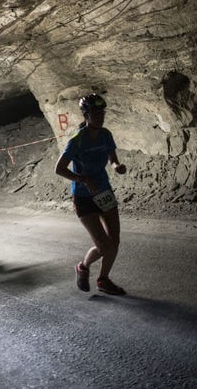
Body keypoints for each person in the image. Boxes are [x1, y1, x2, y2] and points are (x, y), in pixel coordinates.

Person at [54, 93, 128, 295]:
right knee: (103, 245)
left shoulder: (106, 134)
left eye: (102, 112)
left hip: (104, 191)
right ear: (86, 115)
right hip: (84, 197)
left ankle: (103, 280)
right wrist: (84, 179)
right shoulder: (77, 140)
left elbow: (112, 159)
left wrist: (116, 166)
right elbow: (59, 169)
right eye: (95, 113)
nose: (100, 116)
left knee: (115, 240)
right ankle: (83, 267)